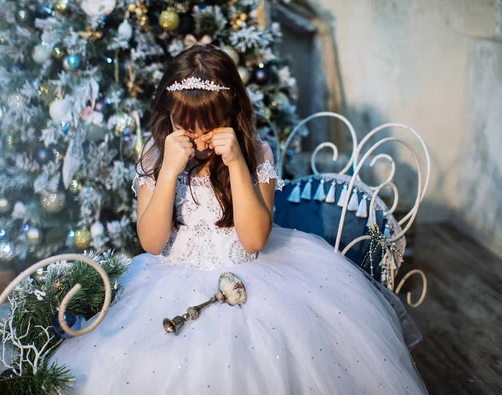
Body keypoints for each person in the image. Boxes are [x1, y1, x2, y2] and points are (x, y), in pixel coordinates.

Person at [51, 44, 429, 394]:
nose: (198, 137)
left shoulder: (255, 153)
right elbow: (151, 242)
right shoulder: (156, 154)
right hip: (164, 280)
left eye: (209, 124)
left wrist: (235, 164)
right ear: (170, 117)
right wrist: (168, 172)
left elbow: (253, 241)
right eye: (186, 125)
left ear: (231, 115)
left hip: (252, 277)